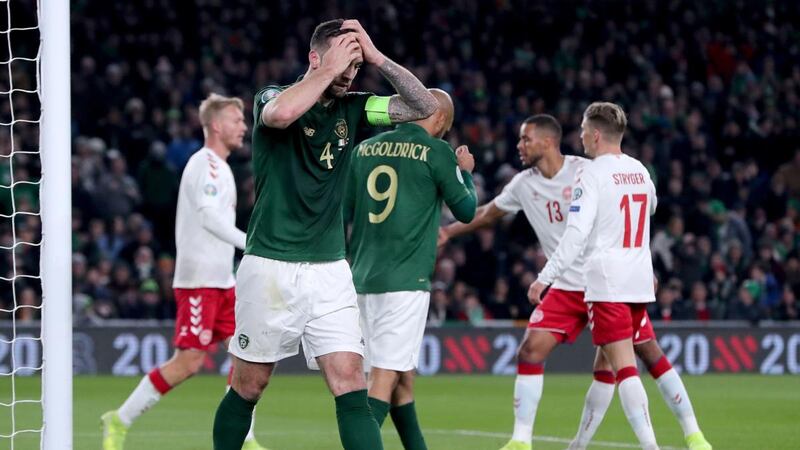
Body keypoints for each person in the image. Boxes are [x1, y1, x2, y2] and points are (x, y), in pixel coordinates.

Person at [211, 19, 438, 450]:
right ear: (315, 58)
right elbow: (280, 116)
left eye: (355, 66)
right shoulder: (273, 95)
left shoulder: (356, 108)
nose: (350, 74)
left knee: (351, 378)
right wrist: (328, 70)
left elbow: (423, 106)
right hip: (271, 267)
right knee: (249, 385)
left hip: (331, 268)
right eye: (343, 63)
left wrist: (376, 57)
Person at [440, 113, 711, 450]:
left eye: (526, 138)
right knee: (531, 348)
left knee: (636, 358)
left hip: (603, 281)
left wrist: (640, 267)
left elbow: (615, 221)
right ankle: (521, 440)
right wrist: (447, 232)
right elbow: (486, 214)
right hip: (569, 285)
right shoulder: (524, 184)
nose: (519, 145)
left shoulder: (587, 170)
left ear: (548, 141)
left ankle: (687, 434)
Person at [102, 94, 268, 450]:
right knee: (189, 362)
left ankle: (247, 437)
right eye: (237, 120)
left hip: (224, 281)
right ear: (217, 125)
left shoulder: (221, 167)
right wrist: (249, 243)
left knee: (247, 356)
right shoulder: (203, 164)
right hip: (199, 281)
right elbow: (209, 217)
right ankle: (119, 419)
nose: (243, 127)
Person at [345, 89, 477, 449]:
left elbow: (343, 213)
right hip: (405, 282)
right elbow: (466, 211)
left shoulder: (363, 150)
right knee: (384, 378)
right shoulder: (436, 152)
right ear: (438, 119)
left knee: (403, 380)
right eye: (445, 127)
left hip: (361, 279)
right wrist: (465, 174)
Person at [526, 102, 660, 449]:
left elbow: (575, 235)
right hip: (638, 280)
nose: (580, 136)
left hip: (608, 283)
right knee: (608, 367)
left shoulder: (591, 173)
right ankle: (579, 444)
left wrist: (546, 276)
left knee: (625, 368)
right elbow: (651, 207)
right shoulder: (640, 170)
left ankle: (651, 446)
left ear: (596, 135)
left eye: (584, 130)